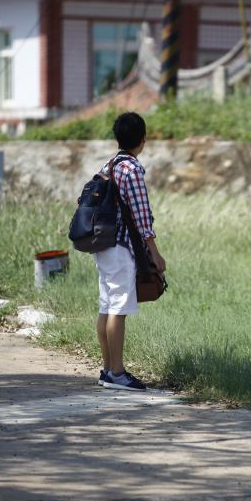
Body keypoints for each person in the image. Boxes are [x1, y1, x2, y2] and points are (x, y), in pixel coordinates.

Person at [95, 112, 166, 391]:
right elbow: (141, 216)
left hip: (103, 246)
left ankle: (107, 369)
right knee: (119, 309)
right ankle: (117, 372)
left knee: (107, 306)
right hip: (121, 247)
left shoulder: (109, 164)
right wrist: (155, 254)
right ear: (143, 139)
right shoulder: (132, 169)